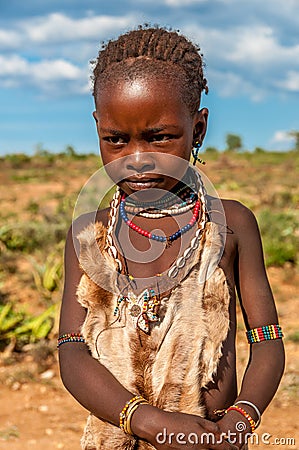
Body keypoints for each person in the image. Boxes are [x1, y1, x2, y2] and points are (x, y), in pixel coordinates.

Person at [58, 25, 285, 450]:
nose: (137, 159)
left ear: (197, 129)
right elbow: (72, 352)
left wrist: (241, 417)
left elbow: (267, 339)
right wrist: (146, 420)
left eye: (160, 137)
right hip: (117, 438)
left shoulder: (232, 224)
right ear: (98, 129)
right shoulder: (89, 235)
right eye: (116, 140)